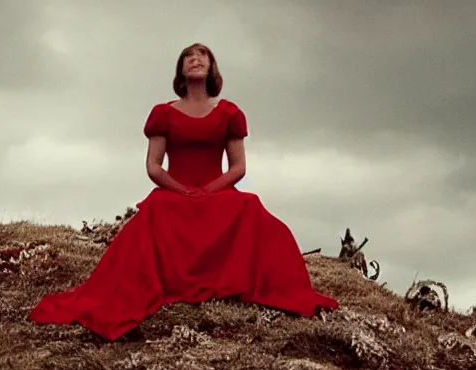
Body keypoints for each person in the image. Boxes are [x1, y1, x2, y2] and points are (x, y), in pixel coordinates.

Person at [29, 43, 339, 341]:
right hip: (174, 194)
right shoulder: (163, 113)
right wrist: (183, 191)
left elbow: (238, 168)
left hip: (216, 193)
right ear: (181, 69)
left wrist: (206, 191)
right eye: (188, 56)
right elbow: (153, 166)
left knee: (250, 206)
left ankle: (245, 279)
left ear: (211, 66)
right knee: (155, 210)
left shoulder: (230, 112)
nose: (195, 59)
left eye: (202, 54)